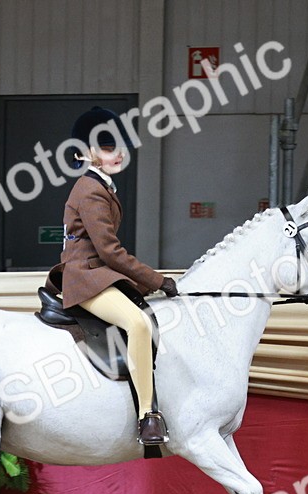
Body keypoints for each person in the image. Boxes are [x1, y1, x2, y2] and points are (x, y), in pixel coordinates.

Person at [45, 107, 178, 446]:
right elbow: (109, 251)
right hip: (86, 276)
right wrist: (156, 280)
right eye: (107, 146)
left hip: (97, 273)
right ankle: (148, 416)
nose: (117, 152)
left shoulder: (102, 187)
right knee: (137, 324)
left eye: (120, 145)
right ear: (82, 153)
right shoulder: (89, 190)